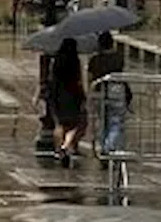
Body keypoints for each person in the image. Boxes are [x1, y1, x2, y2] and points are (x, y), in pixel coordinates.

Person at [87, 33, 129, 168]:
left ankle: (105, 149)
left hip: (99, 92)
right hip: (116, 91)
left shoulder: (94, 59)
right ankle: (108, 149)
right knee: (115, 123)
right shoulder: (118, 57)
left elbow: (90, 77)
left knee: (104, 123)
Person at [50, 38, 86, 168]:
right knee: (75, 124)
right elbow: (79, 80)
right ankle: (66, 145)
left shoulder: (56, 61)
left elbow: (52, 78)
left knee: (59, 124)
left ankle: (58, 150)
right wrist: (83, 96)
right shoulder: (75, 62)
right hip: (72, 95)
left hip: (57, 95)